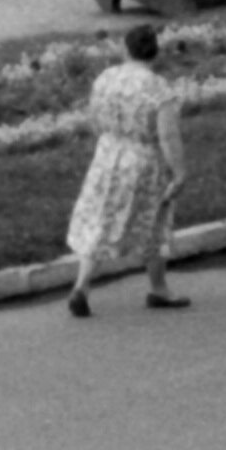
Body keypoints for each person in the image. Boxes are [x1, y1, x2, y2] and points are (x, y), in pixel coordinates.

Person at [62, 23, 190, 316]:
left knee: (101, 218)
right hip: (144, 159)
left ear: (125, 48)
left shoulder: (106, 78)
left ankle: (82, 285)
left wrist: (110, 142)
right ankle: (159, 289)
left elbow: (95, 118)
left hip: (108, 153)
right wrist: (179, 171)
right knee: (154, 223)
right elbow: (168, 136)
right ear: (155, 52)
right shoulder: (159, 88)